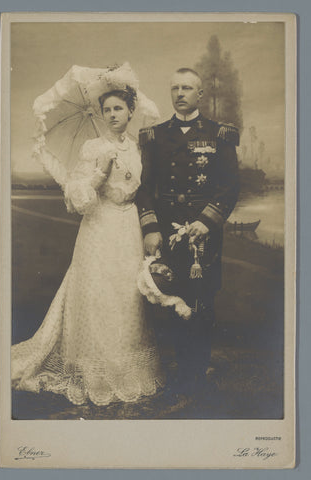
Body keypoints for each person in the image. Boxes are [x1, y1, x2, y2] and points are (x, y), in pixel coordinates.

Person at [11, 86, 164, 407]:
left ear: (130, 112)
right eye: (107, 110)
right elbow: (76, 197)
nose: (112, 115)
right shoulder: (93, 147)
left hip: (128, 228)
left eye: (118, 109)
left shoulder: (138, 148)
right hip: (99, 226)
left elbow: (144, 188)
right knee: (98, 294)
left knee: (127, 294)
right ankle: (94, 373)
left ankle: (124, 369)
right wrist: (99, 173)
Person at [136, 68, 240, 399]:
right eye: (175, 88)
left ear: (200, 94)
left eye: (187, 88)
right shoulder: (153, 136)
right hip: (167, 233)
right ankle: (181, 373)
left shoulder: (219, 134)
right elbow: (145, 188)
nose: (180, 93)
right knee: (172, 298)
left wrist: (207, 221)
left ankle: (197, 375)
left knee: (202, 299)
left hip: (203, 235)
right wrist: (150, 228)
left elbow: (230, 185)